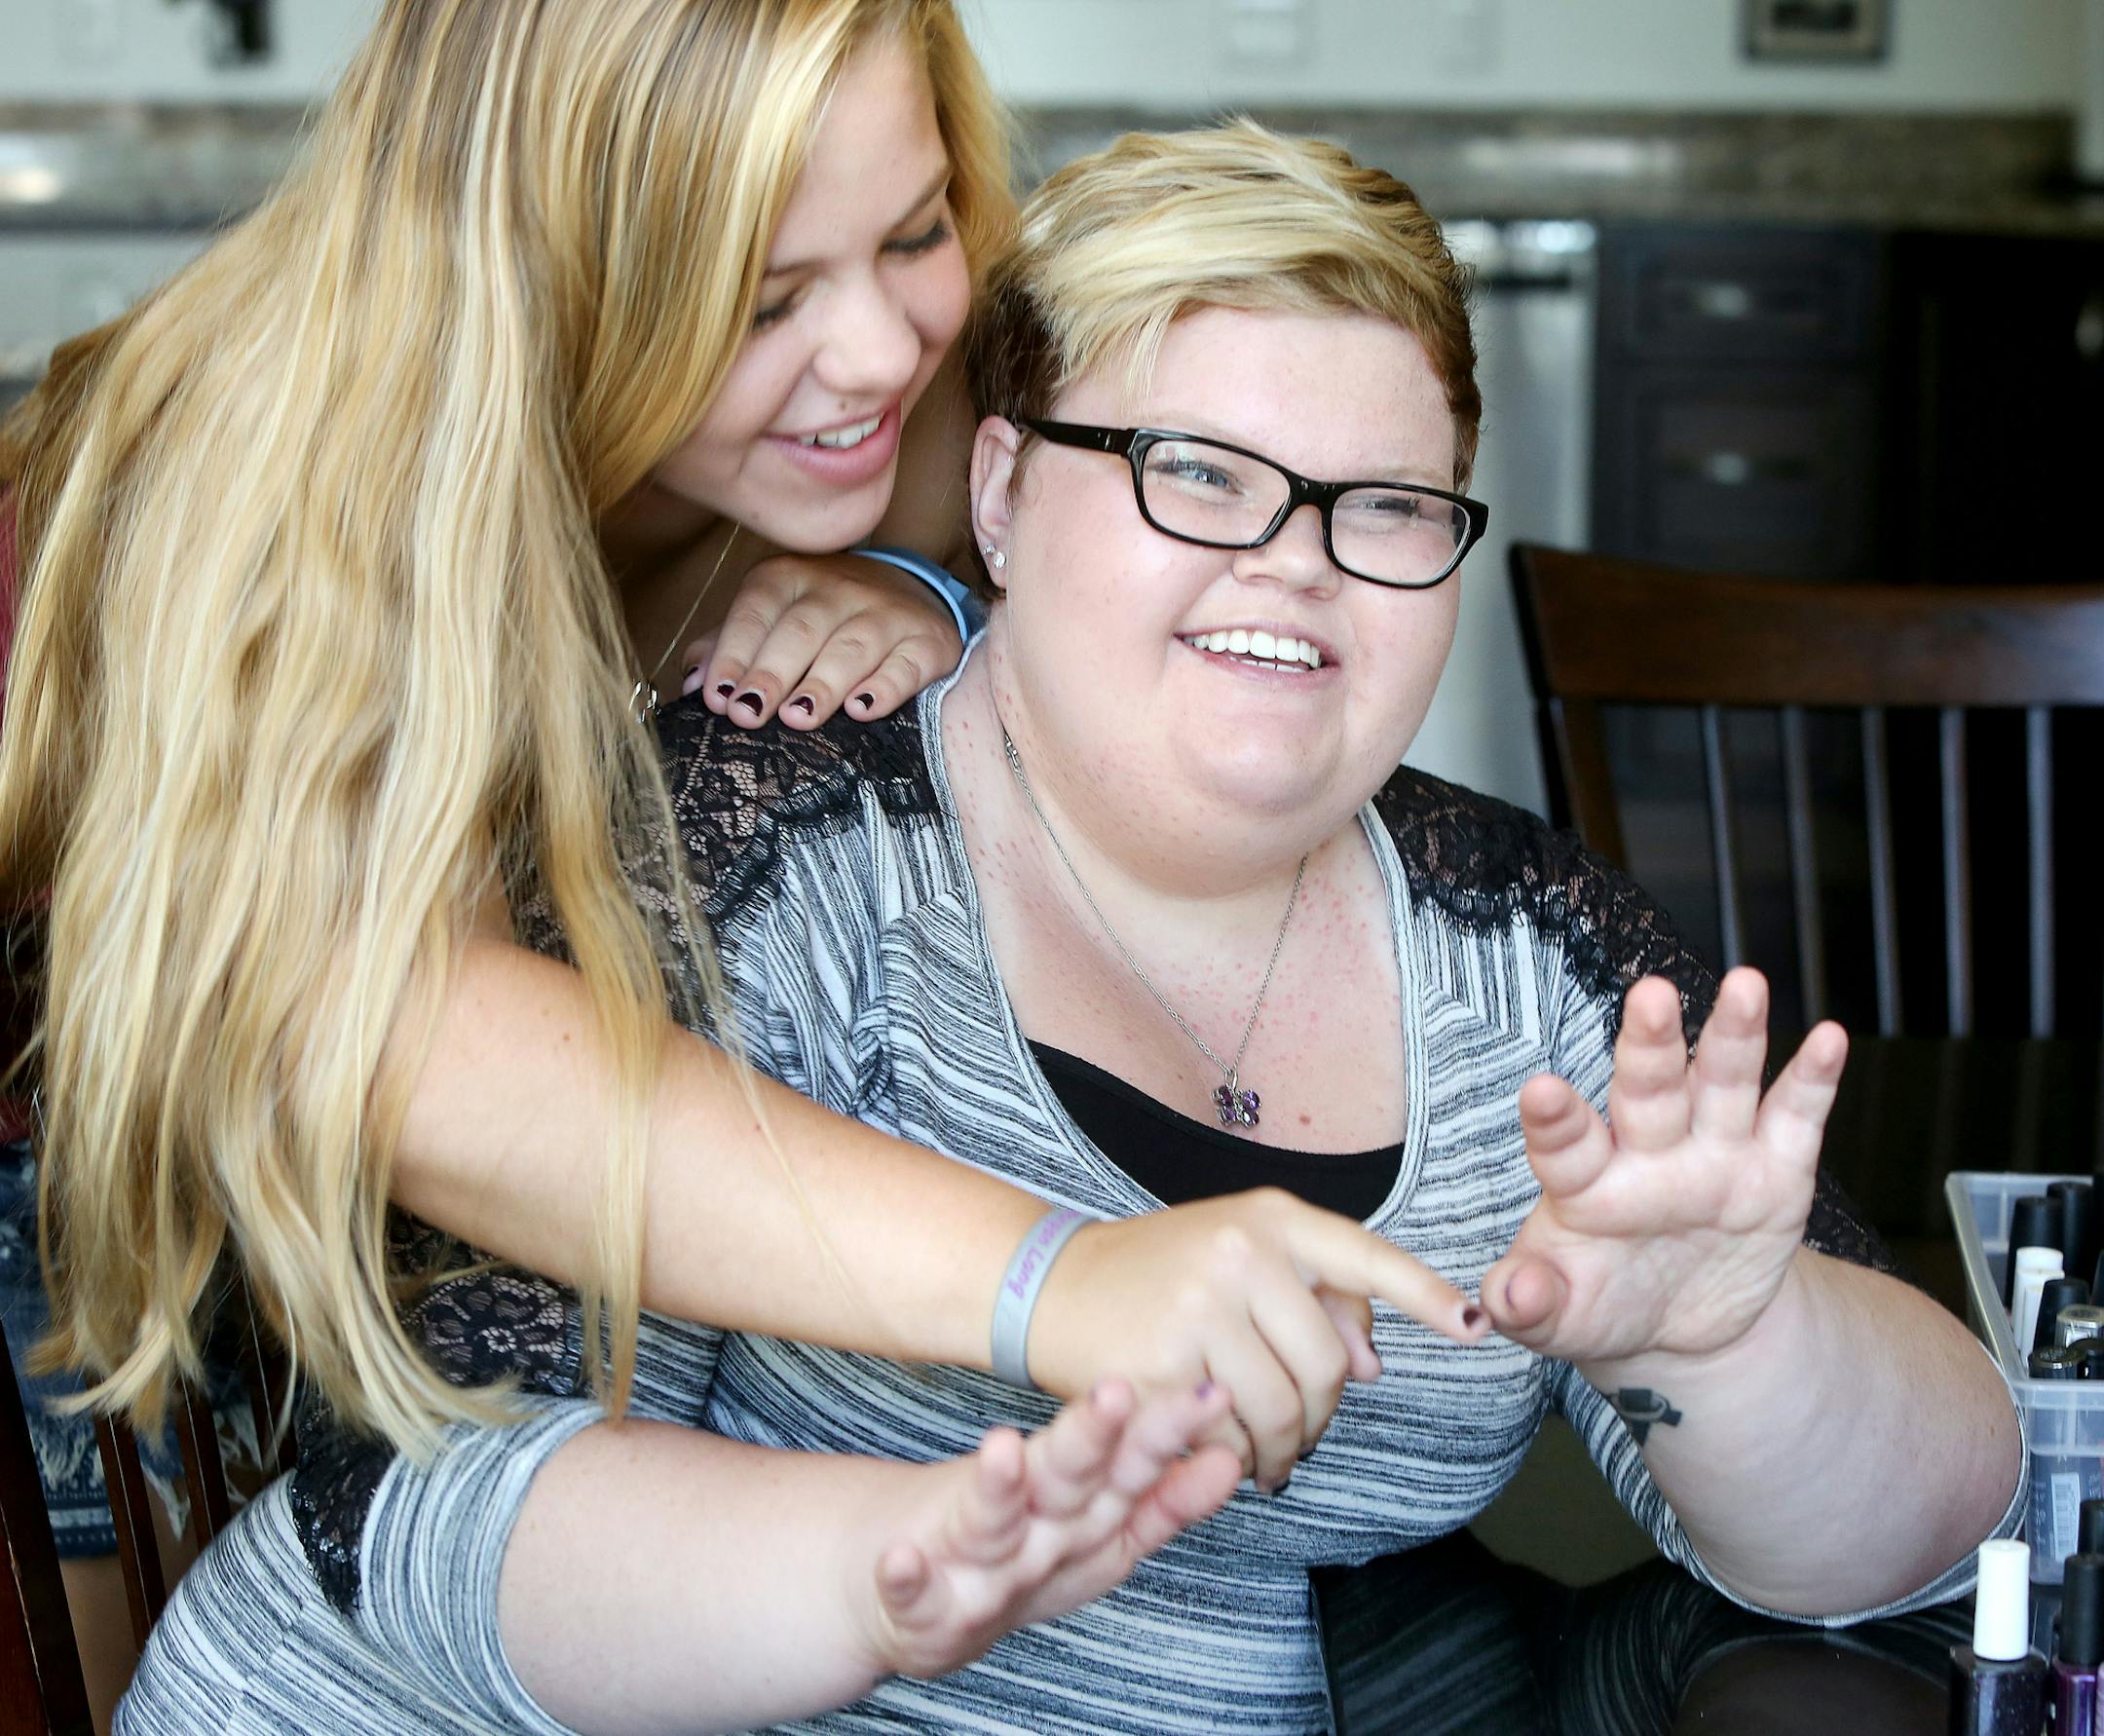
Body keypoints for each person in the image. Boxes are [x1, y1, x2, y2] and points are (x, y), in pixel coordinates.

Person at [217, 120, 2021, 1732]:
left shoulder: (1530, 945)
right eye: (1197, 470)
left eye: (1387, 505)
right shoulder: (760, 840)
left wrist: (1741, 1344)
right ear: (997, 490)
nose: (1296, 563)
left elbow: (1945, 1538)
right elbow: (414, 1508)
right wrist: (899, 1566)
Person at [2, 4, 1488, 1726]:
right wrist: (1057, 1276)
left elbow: (1074, 563)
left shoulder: (910, 393)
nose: (875, 351)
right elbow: (427, 1056)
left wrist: (935, 596)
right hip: (93, 1218)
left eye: (916, 231)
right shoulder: (278, 469)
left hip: (427, 1296)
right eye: (761, 297)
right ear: (551, 267)